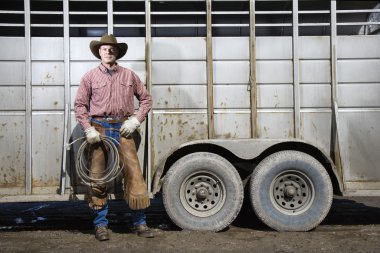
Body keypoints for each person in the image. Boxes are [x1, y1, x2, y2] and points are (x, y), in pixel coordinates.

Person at [74, 34, 154, 241]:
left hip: (123, 128)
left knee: (134, 174)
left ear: (117, 52)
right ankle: (100, 225)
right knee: (98, 175)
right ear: (99, 52)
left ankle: (140, 222)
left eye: (112, 49)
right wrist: (88, 129)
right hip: (99, 129)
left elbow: (145, 99)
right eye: (104, 49)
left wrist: (135, 120)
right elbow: (80, 106)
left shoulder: (129, 75)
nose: (108, 51)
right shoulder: (90, 77)